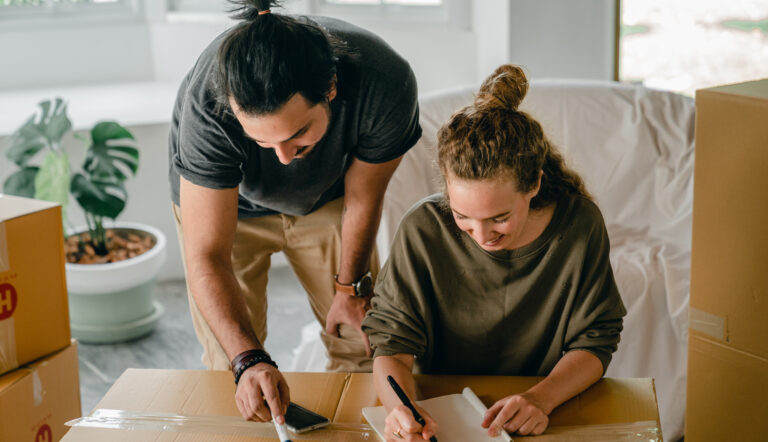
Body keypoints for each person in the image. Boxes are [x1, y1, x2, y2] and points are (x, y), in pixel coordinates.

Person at [168, 0, 421, 425]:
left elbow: (363, 196)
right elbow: (207, 254)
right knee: (232, 367)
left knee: (360, 344)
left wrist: (348, 289)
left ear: (332, 89)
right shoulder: (206, 104)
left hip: (328, 200)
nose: (284, 158)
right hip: (226, 207)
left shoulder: (385, 82)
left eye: (298, 133)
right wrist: (249, 360)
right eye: (263, 142)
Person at [362, 64, 626, 441]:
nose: (482, 235)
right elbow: (391, 344)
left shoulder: (579, 225)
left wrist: (541, 399)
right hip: (439, 411)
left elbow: (595, 340)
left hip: (542, 408)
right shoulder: (422, 228)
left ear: (533, 182)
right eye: (462, 217)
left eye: (499, 218)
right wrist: (400, 408)